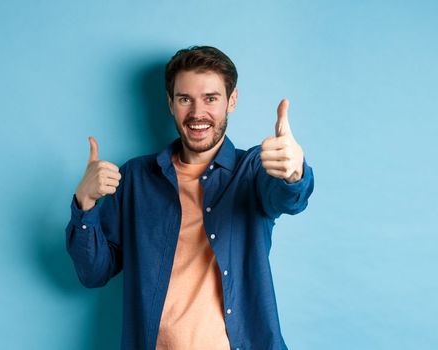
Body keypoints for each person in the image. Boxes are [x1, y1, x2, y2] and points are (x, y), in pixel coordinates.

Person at [65, 45, 314, 350]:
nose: (198, 113)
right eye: (185, 99)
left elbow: (288, 199)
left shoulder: (252, 171)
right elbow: (93, 272)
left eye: (211, 98)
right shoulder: (135, 178)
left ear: (231, 100)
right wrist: (84, 204)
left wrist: (294, 172)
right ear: (170, 103)